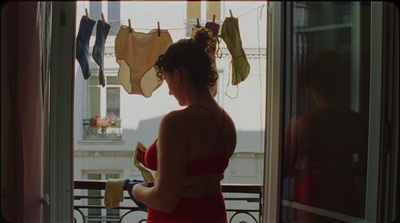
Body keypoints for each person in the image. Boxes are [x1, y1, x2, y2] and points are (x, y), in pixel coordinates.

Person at [131, 28, 237, 223]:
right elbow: (195, 172)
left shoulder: (177, 122)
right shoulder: (226, 122)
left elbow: (164, 201)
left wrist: (135, 190)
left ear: (177, 75)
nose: (170, 91)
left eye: (167, 80)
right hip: (213, 214)